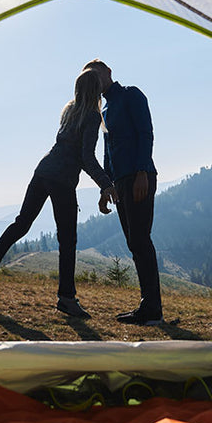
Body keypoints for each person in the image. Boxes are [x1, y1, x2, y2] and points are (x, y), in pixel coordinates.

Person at [0, 68, 118, 318]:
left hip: (42, 171)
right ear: (96, 91)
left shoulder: (70, 111)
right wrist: (106, 184)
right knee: (68, 240)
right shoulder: (92, 116)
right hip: (61, 179)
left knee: (21, 223)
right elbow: (86, 157)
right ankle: (66, 298)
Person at [84, 59, 163, 325]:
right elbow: (107, 150)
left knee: (140, 239)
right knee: (134, 242)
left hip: (139, 177)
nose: (96, 80)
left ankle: (152, 309)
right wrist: (107, 186)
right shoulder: (103, 108)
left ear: (108, 72)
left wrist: (142, 171)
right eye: (90, 77)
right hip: (120, 182)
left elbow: (146, 133)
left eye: (97, 74)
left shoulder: (131, 94)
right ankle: (148, 305)